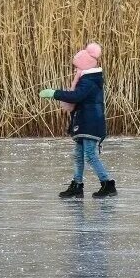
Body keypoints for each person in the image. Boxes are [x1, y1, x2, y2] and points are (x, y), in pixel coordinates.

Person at [39, 43, 117, 198]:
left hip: (91, 123)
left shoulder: (89, 81)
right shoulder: (87, 79)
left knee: (89, 154)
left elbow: (76, 96)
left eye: (77, 67)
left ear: (85, 65)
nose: (75, 70)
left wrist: (55, 93)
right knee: (79, 155)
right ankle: (77, 185)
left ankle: (107, 184)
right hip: (84, 122)